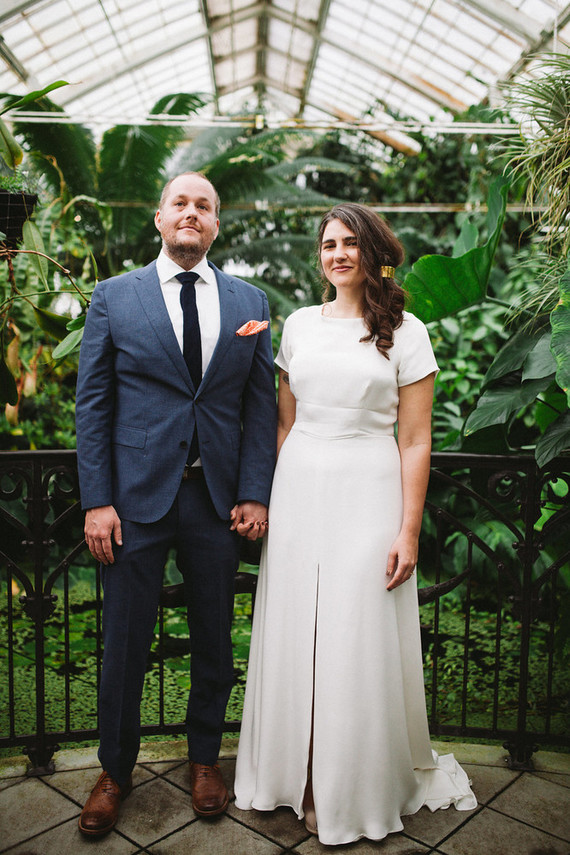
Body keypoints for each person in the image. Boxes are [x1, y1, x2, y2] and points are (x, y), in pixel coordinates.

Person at [234, 203, 476, 845]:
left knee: (352, 635)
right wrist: (277, 497)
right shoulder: (299, 326)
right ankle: (301, 775)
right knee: (298, 635)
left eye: (350, 243)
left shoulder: (409, 332)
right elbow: (284, 423)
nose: (337, 254)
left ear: (375, 253)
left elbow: (416, 440)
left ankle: (349, 785)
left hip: (370, 492)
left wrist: (408, 531)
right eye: (328, 245)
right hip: (301, 489)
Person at [75, 172, 277, 836]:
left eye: (205, 206)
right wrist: (98, 500)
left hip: (217, 505)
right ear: (160, 219)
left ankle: (203, 759)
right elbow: (94, 405)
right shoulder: (113, 297)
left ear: (217, 225)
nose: (192, 213)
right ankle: (114, 770)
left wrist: (253, 490)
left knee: (215, 639)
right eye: (181, 204)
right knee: (125, 643)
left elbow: (257, 404)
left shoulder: (250, 301)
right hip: (134, 505)